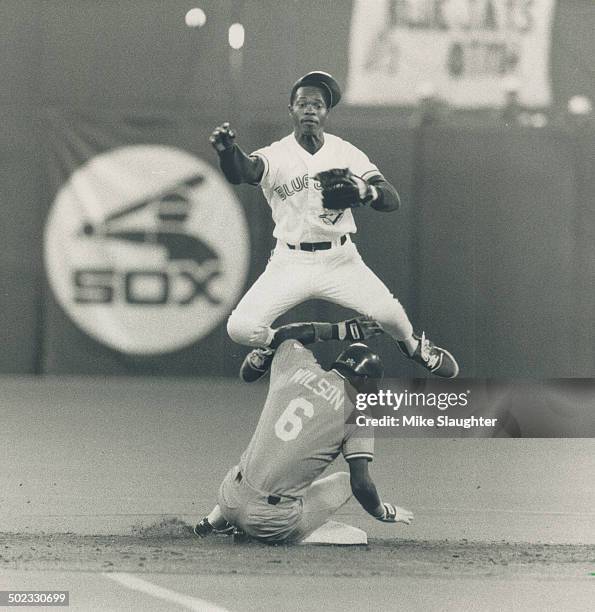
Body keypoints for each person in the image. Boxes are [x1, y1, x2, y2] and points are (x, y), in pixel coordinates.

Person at [210, 70, 458, 379]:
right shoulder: (278, 154)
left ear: (327, 112)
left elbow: (391, 199)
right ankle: (288, 340)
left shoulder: (345, 152)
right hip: (290, 261)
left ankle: (414, 347)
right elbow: (244, 171)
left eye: (318, 104)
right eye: (303, 103)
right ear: (291, 110)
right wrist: (228, 153)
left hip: (339, 259)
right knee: (240, 328)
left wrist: (367, 191)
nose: (310, 109)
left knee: (390, 316)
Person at [194, 317, 413, 544]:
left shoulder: (296, 365)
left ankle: (211, 522)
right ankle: (273, 533)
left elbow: (285, 335)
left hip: (228, 496)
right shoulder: (357, 411)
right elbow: (361, 484)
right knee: (356, 533)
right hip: (269, 523)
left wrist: (339, 329)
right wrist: (382, 512)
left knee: (257, 467)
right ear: (365, 379)